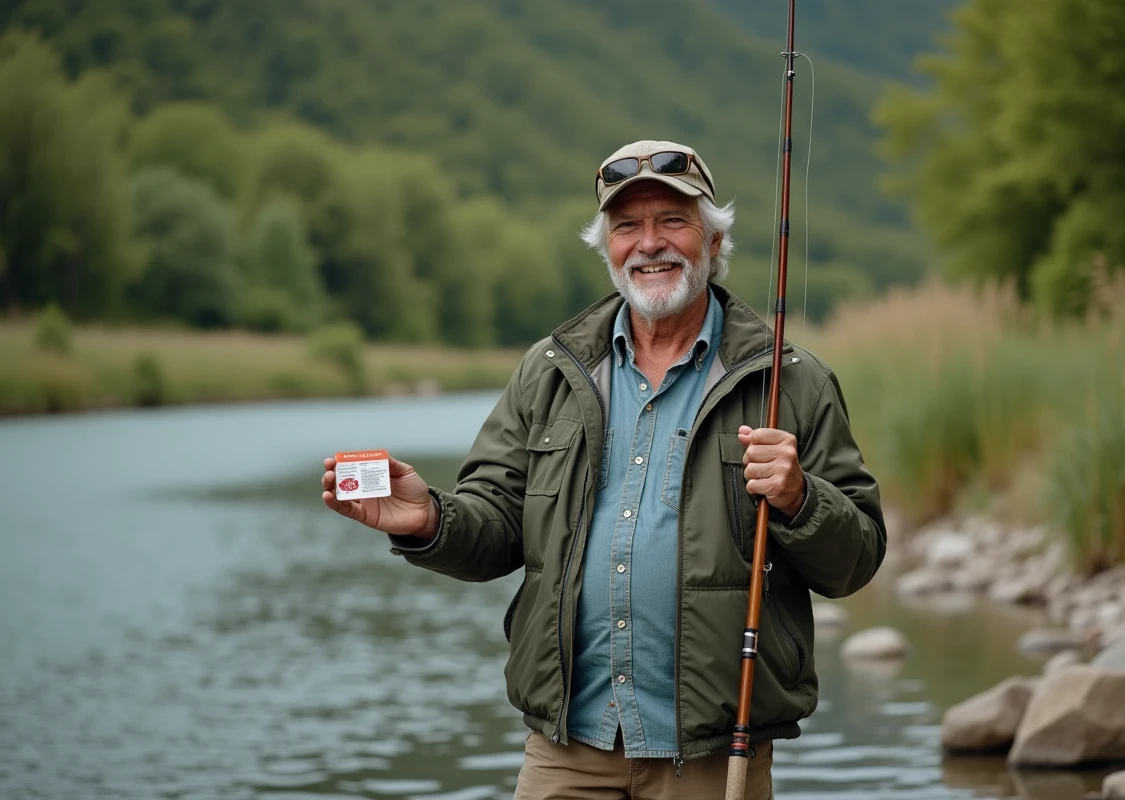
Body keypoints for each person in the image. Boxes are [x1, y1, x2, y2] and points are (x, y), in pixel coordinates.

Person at [321, 139, 886, 799]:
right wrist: (427, 520)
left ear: (712, 240)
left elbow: (856, 560)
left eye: (672, 221)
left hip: (711, 752)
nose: (649, 244)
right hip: (567, 749)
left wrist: (799, 498)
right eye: (626, 226)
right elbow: (498, 526)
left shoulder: (791, 380)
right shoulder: (549, 371)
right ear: (607, 247)